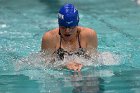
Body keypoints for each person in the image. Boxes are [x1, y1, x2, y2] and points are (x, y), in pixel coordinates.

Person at [41, 4, 98, 71]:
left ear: (77, 24)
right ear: (59, 24)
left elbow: (94, 60)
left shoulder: (89, 35)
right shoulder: (49, 38)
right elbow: (44, 65)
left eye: (71, 27)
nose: (67, 31)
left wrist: (83, 64)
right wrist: (64, 65)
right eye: (63, 27)